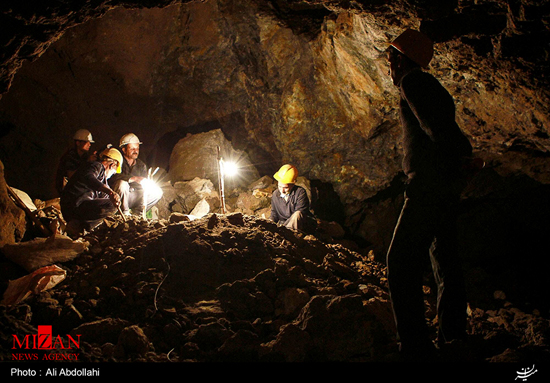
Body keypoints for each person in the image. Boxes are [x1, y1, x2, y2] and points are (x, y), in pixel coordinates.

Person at [385, 29, 474, 361]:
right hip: (442, 187)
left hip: (428, 188)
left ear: (401, 58)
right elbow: (449, 133)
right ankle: (453, 335)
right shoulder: (430, 85)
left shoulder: (413, 83)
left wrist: (448, 169)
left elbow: (439, 132)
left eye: (391, 56)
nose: (388, 63)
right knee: (445, 261)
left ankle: (415, 346)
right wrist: (459, 169)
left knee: (400, 263)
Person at [60, 147, 123, 237]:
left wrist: (114, 198)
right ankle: (79, 228)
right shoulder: (96, 166)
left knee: (111, 204)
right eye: (113, 172)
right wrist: (110, 193)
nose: (112, 175)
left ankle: (80, 229)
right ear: (112, 165)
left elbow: (106, 197)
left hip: (75, 208)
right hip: (74, 205)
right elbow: (89, 177)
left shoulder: (102, 180)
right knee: (111, 205)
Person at [108, 133, 162, 216]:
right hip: (118, 197)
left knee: (157, 192)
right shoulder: (117, 161)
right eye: (132, 148)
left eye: (137, 148)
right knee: (122, 184)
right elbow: (112, 177)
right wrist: (133, 178)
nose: (135, 151)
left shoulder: (141, 165)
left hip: (134, 196)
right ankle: (124, 213)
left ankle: (137, 214)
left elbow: (143, 183)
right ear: (124, 149)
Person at [270, 164, 313, 232]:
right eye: (280, 186)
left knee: (297, 215)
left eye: (286, 188)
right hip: (284, 225)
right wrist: (270, 222)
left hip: (301, 226)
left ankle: (292, 236)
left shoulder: (300, 192)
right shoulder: (275, 194)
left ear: (293, 184)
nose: (282, 190)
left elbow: (300, 214)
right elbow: (274, 213)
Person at [55, 129, 97, 195]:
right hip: (66, 190)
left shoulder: (84, 156)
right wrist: (88, 162)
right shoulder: (70, 156)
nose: (89, 144)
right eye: (86, 142)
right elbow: (71, 176)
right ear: (78, 143)